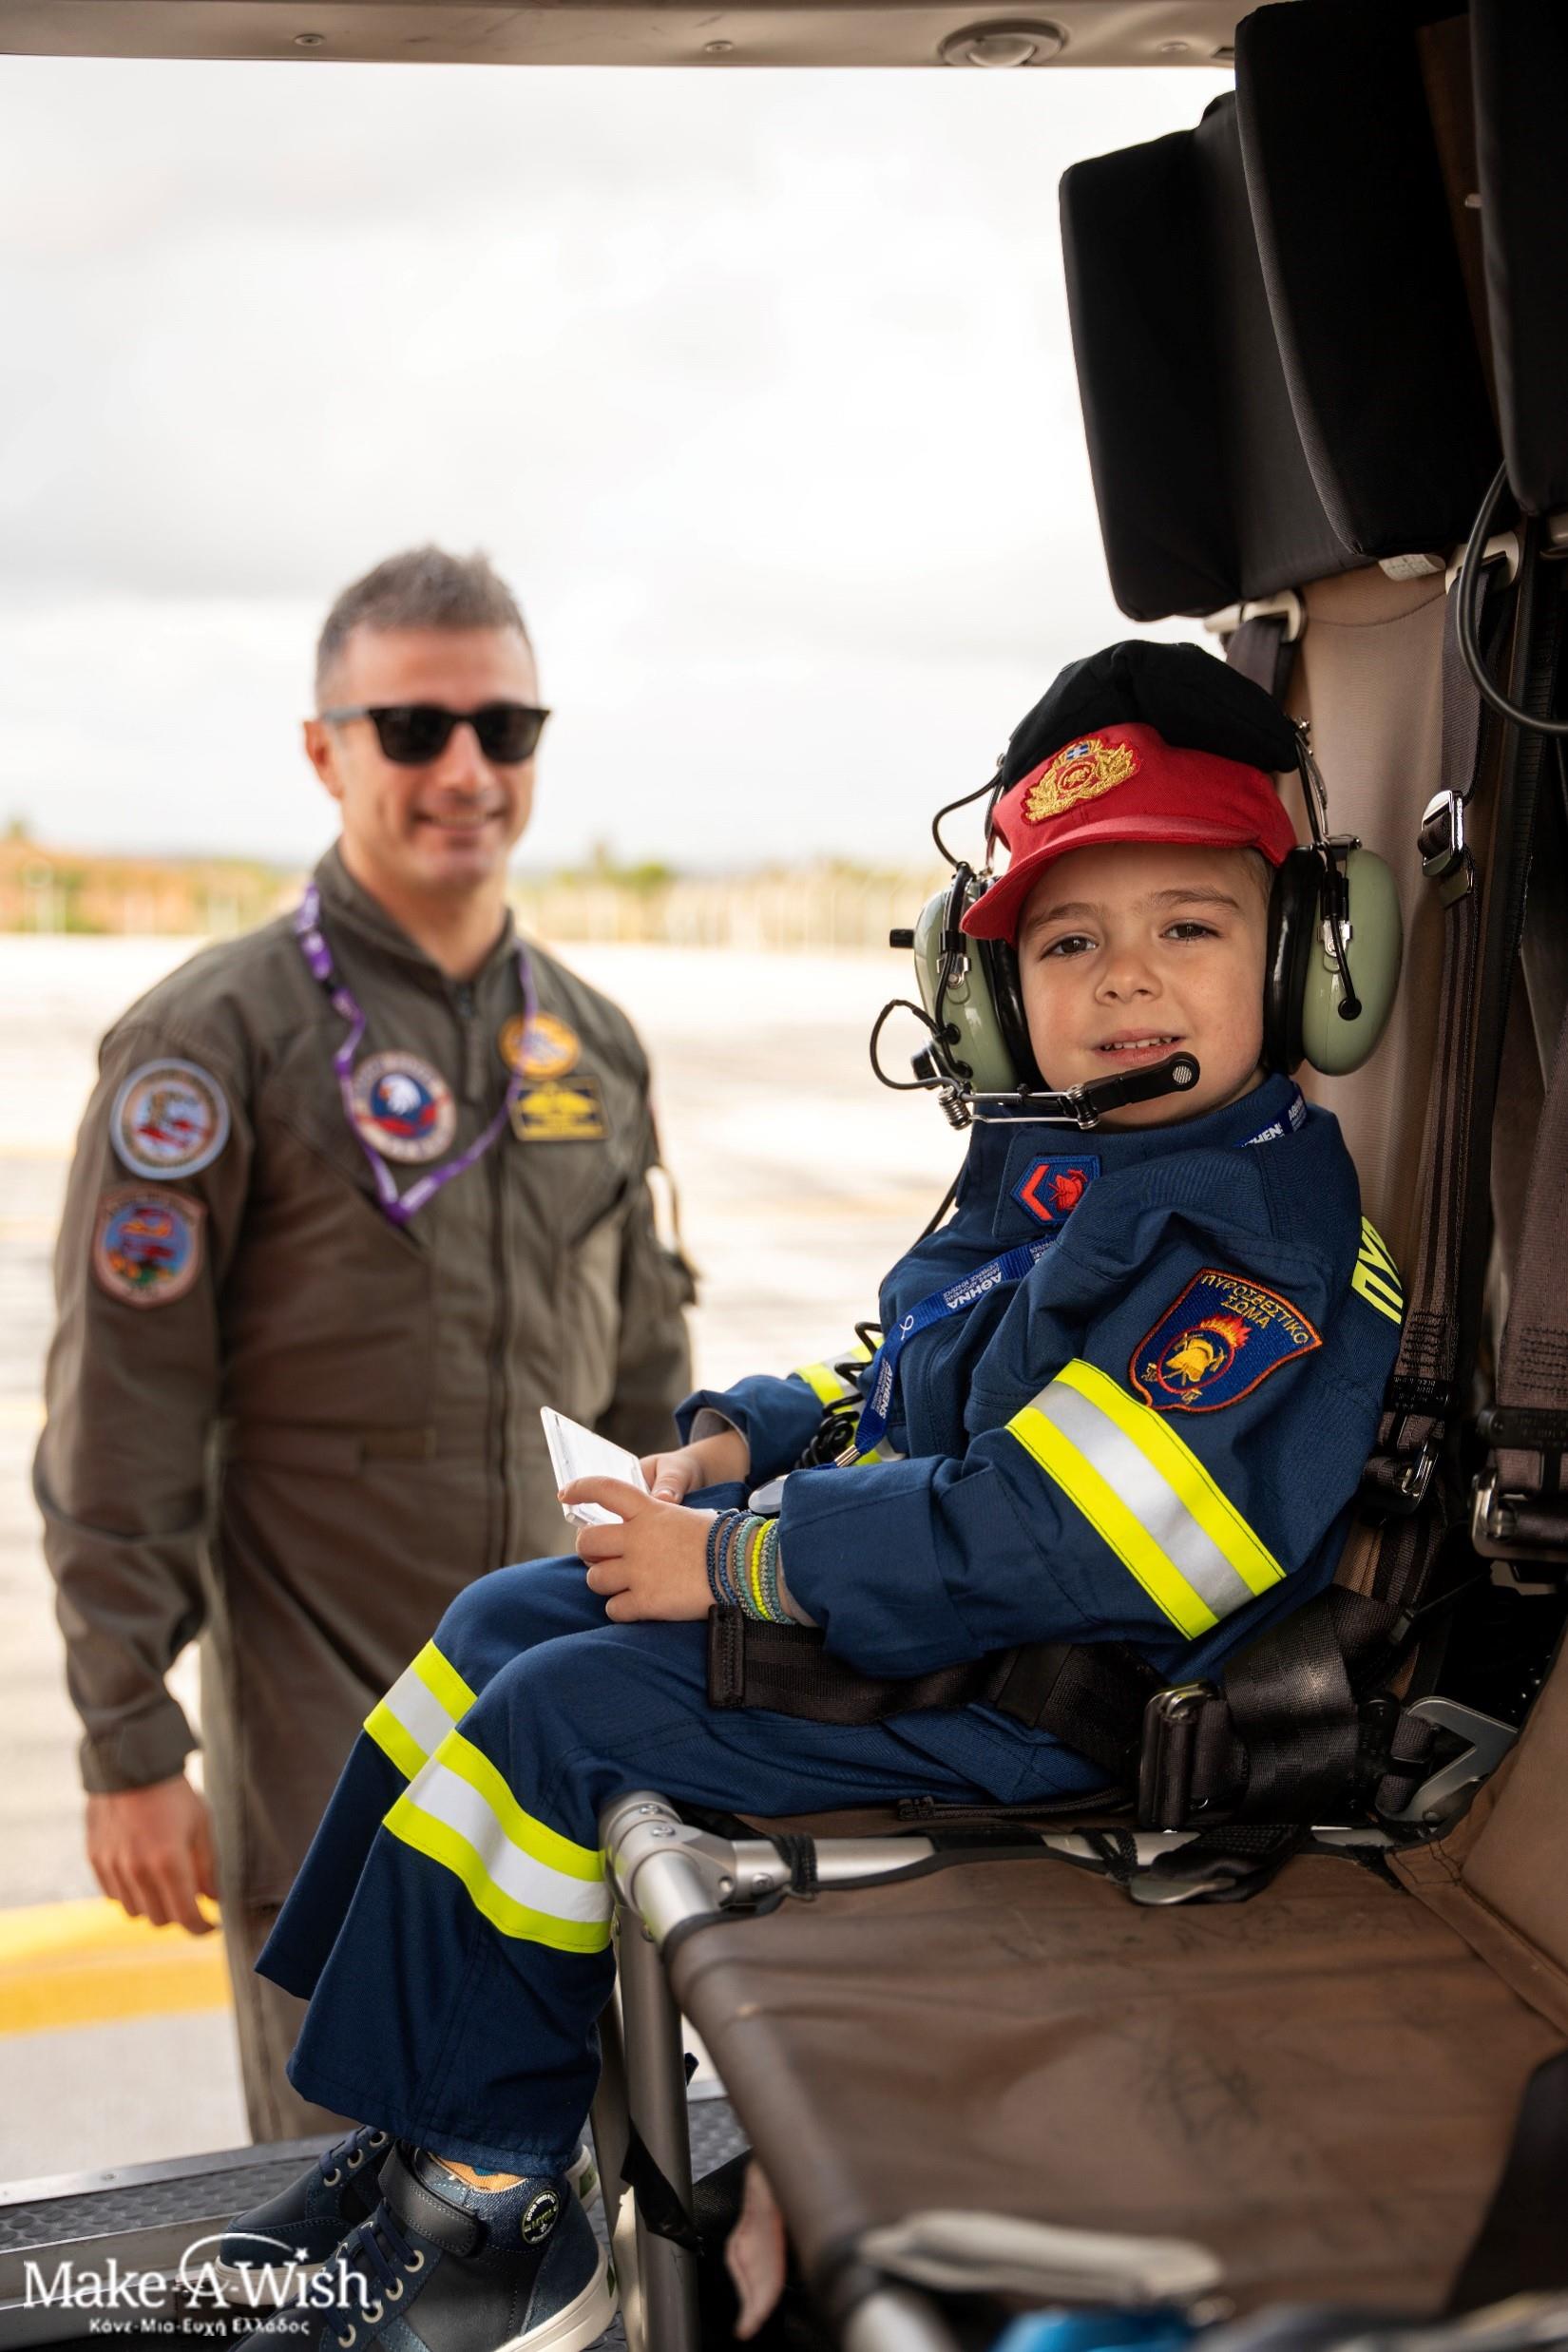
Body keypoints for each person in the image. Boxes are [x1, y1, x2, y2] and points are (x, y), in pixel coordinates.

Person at [220, 641, 1404, 2352]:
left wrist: (739, 1562)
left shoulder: (1248, 1243)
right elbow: (915, 1376)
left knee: (558, 1720)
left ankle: (492, 2208)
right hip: (928, 1623)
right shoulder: (1075, 1161)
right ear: (990, 993)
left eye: (1188, 928)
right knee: (495, 1626)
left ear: (1305, 963)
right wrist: (741, 1444)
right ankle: (420, 2127)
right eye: (1067, 943)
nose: (1125, 979)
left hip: (1050, 1698)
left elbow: (1049, 1539)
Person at [34, 545, 694, 2143]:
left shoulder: (591, 1050)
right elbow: (122, 1405)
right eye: (412, 729)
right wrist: (129, 1741)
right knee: (363, 2205)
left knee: (594, 2193)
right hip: (328, 1750)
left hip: (560, 1732)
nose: (465, 770)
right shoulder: (215, 1043)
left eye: (504, 728)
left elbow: (644, 1394)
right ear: (325, 752)